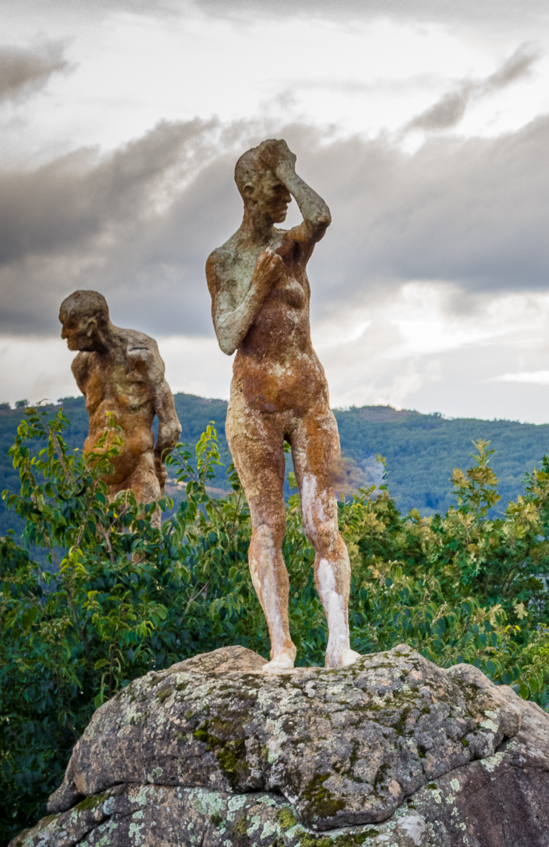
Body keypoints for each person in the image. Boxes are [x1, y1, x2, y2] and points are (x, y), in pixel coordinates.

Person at [206, 139, 359, 670]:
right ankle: (281, 646)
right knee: (268, 524)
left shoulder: (292, 245)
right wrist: (259, 286)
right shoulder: (225, 261)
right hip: (254, 409)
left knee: (323, 525)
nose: (286, 198)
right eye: (276, 188)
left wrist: (289, 169)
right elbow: (227, 335)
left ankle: (339, 641)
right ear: (249, 192)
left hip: (309, 402)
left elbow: (320, 216)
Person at [59, 289, 180, 504]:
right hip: (96, 480)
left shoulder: (140, 354)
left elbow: (170, 424)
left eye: (68, 325)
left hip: (139, 472)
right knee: (97, 538)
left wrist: (158, 460)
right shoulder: (82, 366)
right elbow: (95, 418)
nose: (63, 334)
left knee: (146, 537)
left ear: (90, 327)